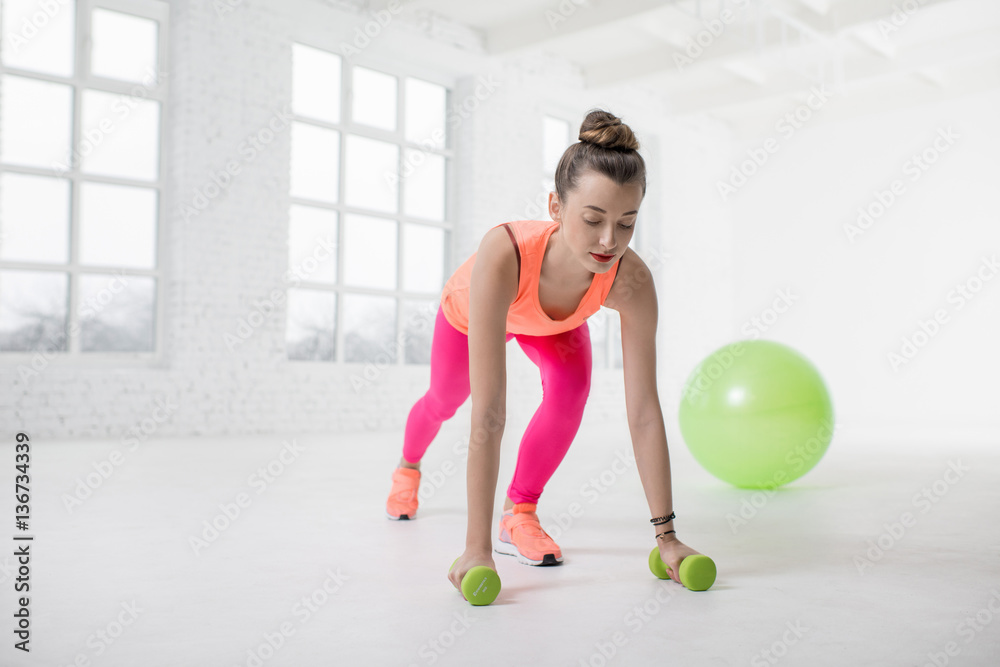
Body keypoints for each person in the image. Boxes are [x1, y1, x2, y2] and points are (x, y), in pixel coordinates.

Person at [385, 108, 705, 593]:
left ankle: (520, 512)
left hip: (553, 322)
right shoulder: (504, 251)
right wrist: (475, 551)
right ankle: (408, 467)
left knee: (571, 390)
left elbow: (643, 412)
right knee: (446, 398)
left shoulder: (632, 280)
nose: (608, 241)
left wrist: (668, 537)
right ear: (555, 206)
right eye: (593, 219)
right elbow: (490, 411)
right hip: (478, 310)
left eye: (626, 223)